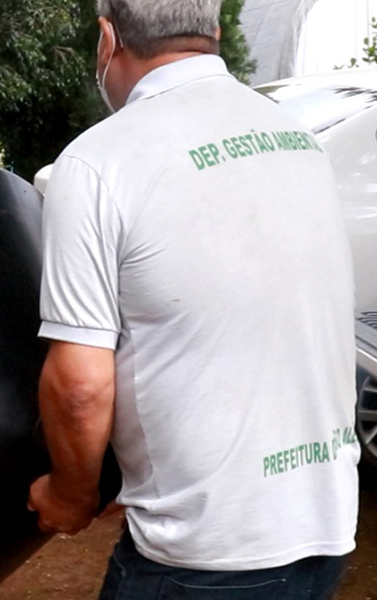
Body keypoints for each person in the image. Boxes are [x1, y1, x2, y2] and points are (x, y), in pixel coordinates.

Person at [27, 0, 359, 598]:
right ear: (211, 29)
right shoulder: (298, 138)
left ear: (108, 38)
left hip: (203, 554)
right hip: (324, 525)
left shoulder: (99, 162)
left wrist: (69, 497)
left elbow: (79, 389)